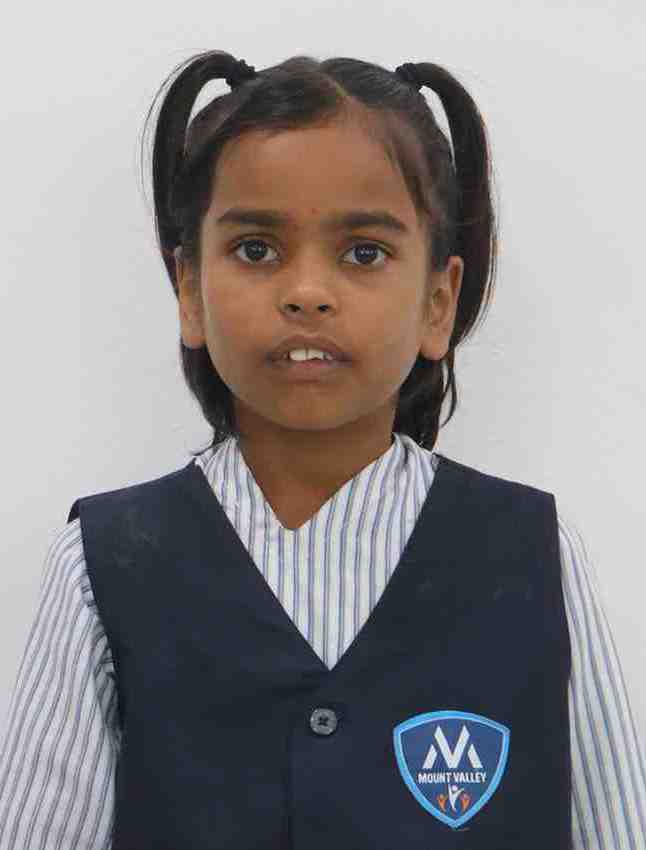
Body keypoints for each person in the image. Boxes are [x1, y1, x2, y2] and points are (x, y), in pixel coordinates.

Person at [0, 50, 644, 850]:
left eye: (364, 252)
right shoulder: (99, 563)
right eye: (257, 249)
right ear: (190, 291)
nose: (307, 292)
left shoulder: (534, 552)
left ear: (437, 303)